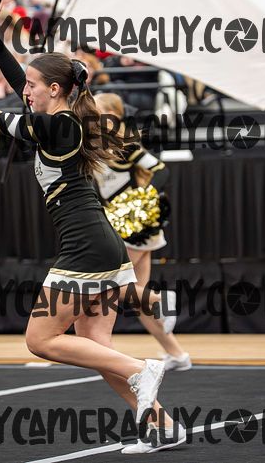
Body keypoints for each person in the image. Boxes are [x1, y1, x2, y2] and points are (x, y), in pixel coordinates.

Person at [0, 8, 187, 453]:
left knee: (40, 339)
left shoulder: (56, 126)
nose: (25, 91)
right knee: (96, 346)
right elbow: (24, 81)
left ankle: (141, 369)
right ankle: (163, 425)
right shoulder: (62, 119)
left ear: (55, 90)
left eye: (32, 87)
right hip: (100, 244)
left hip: (85, 249)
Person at [94, 92, 192, 373]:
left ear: (113, 115)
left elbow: (160, 170)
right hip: (120, 223)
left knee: (109, 284)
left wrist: (140, 202)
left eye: (96, 111)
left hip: (134, 225)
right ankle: (177, 355)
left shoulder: (126, 146)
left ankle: (161, 300)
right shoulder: (95, 145)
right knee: (136, 297)